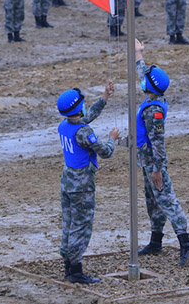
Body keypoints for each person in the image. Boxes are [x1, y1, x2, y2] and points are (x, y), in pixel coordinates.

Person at [134, 39, 189, 267]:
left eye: (145, 81)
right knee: (153, 202)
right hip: (146, 161)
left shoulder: (154, 111)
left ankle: (185, 242)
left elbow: (157, 142)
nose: (142, 82)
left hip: (153, 161)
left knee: (167, 200)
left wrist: (157, 169)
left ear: (150, 87)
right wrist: (139, 54)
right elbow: (143, 75)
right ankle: (156, 241)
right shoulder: (153, 96)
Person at [57, 82, 120, 283]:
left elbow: (87, 117)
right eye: (82, 104)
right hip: (82, 186)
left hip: (67, 182)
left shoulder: (65, 125)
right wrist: (112, 139)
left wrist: (105, 97)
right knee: (81, 227)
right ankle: (76, 272)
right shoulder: (84, 133)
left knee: (68, 224)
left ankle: (68, 265)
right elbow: (106, 152)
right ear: (78, 107)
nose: (85, 107)